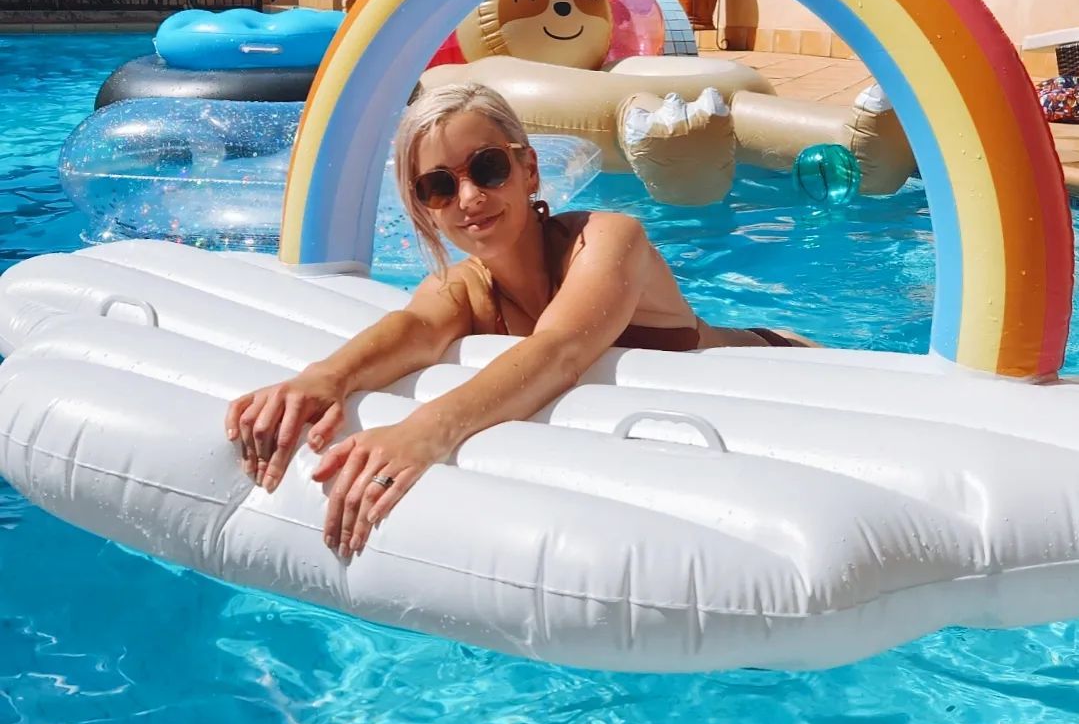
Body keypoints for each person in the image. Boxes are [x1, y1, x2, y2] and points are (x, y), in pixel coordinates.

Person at [225, 83, 814, 558]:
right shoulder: (461, 287)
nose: (468, 198)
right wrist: (326, 378)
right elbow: (414, 330)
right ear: (424, 207)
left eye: (487, 169)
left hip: (785, 363)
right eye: (439, 186)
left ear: (529, 169)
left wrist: (425, 430)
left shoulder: (608, 239)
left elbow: (560, 349)